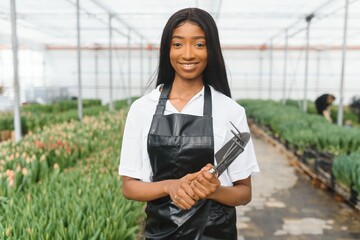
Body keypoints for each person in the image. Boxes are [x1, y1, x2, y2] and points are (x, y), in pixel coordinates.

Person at [119, 7, 259, 240]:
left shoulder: (230, 111)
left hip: (215, 233)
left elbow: (244, 193)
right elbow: (129, 187)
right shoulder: (142, 109)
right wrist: (170, 186)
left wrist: (215, 190)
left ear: (211, 50)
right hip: (161, 232)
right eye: (178, 44)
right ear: (167, 49)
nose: (187, 54)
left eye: (199, 44)